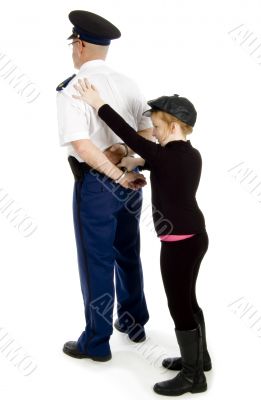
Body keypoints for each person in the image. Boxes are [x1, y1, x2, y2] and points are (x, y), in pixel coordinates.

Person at [72, 78, 212, 396]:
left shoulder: (164, 156)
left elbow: (130, 136)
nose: (155, 132)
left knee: (179, 306)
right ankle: (200, 359)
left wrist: (98, 104)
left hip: (178, 245)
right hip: (196, 238)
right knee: (190, 301)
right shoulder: (190, 155)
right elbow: (158, 162)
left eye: (159, 126)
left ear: (175, 126)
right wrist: (137, 162)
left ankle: (193, 379)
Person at [56, 10, 153, 362]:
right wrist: (125, 159)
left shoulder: (72, 89)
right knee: (128, 252)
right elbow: (148, 133)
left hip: (98, 187)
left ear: (79, 45)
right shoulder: (129, 83)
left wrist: (114, 171)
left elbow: (82, 146)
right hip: (131, 182)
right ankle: (134, 322)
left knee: (96, 260)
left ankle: (96, 342)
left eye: (73, 45)